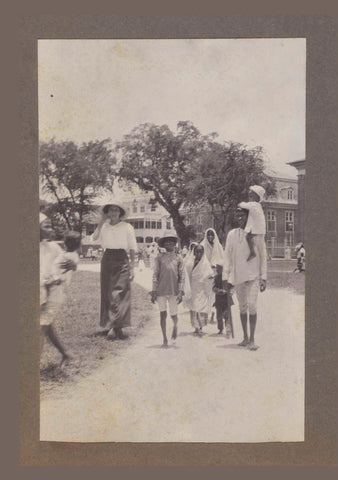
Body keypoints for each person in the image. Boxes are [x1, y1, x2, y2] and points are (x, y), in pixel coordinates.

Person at [222, 207, 267, 351]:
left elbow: (263, 256)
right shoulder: (232, 234)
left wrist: (264, 277)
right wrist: (225, 277)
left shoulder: (257, 234)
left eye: (243, 215)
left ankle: (252, 339)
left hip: (253, 276)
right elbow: (227, 256)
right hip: (238, 276)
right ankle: (245, 337)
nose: (240, 218)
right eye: (238, 215)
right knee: (242, 307)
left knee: (252, 304)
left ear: (249, 217)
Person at [91, 200, 137, 340]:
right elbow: (94, 239)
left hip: (122, 258)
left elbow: (133, 247)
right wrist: (101, 221)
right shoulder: (104, 227)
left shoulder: (127, 227)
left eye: (116, 210)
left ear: (120, 213)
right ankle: (113, 326)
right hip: (107, 258)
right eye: (111, 210)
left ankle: (119, 326)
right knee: (109, 292)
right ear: (107, 213)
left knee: (121, 292)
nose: (113, 212)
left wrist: (132, 267)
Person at [39, 213, 77, 366]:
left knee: (41, 327)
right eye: (46, 226)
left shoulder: (53, 247)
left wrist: (61, 275)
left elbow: (69, 264)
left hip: (54, 293)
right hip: (40, 292)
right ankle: (66, 353)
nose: (51, 229)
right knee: (46, 326)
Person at [150, 233, 185, 347]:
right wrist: (154, 290)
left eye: (171, 241)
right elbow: (155, 274)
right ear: (163, 244)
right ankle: (164, 338)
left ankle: (175, 326)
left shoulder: (179, 258)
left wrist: (180, 291)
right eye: (166, 241)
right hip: (161, 290)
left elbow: (182, 276)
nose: (169, 243)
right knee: (162, 314)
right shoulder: (159, 258)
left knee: (174, 314)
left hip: (174, 290)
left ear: (175, 243)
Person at [184, 245, 214, 336]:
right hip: (193, 287)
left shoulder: (205, 263)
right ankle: (196, 327)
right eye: (197, 251)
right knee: (194, 306)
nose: (199, 253)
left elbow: (209, 274)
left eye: (201, 252)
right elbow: (186, 274)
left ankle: (200, 327)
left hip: (202, 288)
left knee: (201, 307)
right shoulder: (190, 263)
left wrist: (210, 278)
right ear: (194, 252)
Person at [200, 228, 224, 323]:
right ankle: (205, 314)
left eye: (212, 235)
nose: (210, 237)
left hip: (216, 272)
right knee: (206, 293)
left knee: (214, 294)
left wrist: (217, 265)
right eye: (208, 235)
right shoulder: (202, 245)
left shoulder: (218, 246)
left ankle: (211, 313)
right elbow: (200, 259)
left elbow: (223, 258)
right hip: (205, 272)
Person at [238, 185, 266, 262]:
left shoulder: (254, 204)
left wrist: (240, 204)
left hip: (257, 226)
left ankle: (252, 252)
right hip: (258, 226)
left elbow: (244, 205)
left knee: (248, 237)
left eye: (252, 196)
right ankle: (254, 251)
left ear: (257, 197)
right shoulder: (257, 205)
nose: (250, 198)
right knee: (251, 238)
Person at [212, 264, 234, 337]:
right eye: (217, 268)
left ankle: (228, 330)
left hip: (226, 300)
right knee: (219, 316)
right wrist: (218, 291)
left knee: (227, 315)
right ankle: (220, 328)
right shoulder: (216, 278)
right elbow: (213, 288)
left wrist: (230, 292)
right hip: (218, 300)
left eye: (219, 268)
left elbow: (232, 287)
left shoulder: (228, 278)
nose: (217, 270)